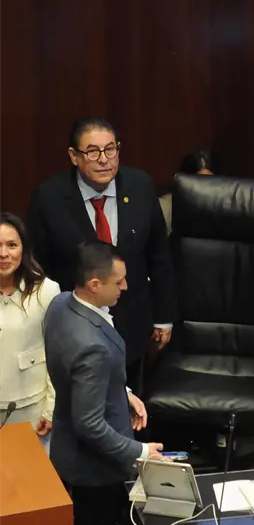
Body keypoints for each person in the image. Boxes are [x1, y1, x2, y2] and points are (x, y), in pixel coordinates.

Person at [27, 117, 176, 392]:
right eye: (92, 152)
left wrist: (164, 317)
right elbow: (37, 267)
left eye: (111, 149)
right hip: (75, 329)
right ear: (74, 156)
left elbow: (159, 256)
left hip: (133, 325)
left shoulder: (140, 186)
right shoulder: (49, 198)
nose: (104, 159)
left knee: (129, 410)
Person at [45, 241, 164, 525]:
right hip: (95, 471)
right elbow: (89, 424)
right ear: (95, 284)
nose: (125, 287)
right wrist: (141, 452)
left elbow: (76, 372)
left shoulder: (61, 304)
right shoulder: (92, 346)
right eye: (119, 281)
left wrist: (121, 392)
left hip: (66, 451)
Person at [0, 212, 61, 451]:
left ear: (23, 249)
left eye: (11, 245)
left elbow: (58, 355)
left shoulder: (46, 291)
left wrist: (51, 409)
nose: (3, 254)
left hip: (31, 411)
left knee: (30, 485)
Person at [159, 149, 215, 235]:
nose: (205, 188)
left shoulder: (225, 209)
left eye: (210, 181)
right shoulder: (164, 208)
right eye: (199, 181)